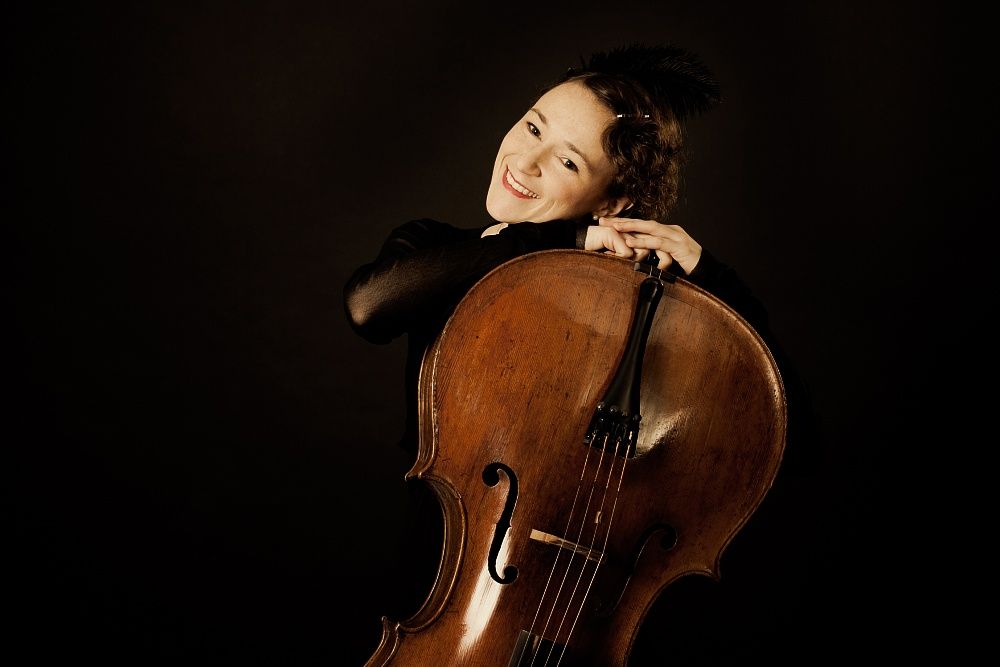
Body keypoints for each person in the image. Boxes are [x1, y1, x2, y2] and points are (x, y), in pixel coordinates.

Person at [343, 41, 815, 658]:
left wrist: (716, 281)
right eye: (533, 126)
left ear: (613, 203)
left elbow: (791, 440)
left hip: (593, 610)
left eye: (567, 161)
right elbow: (370, 306)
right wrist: (559, 237)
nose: (526, 161)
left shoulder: (639, 305)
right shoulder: (434, 251)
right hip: (445, 583)